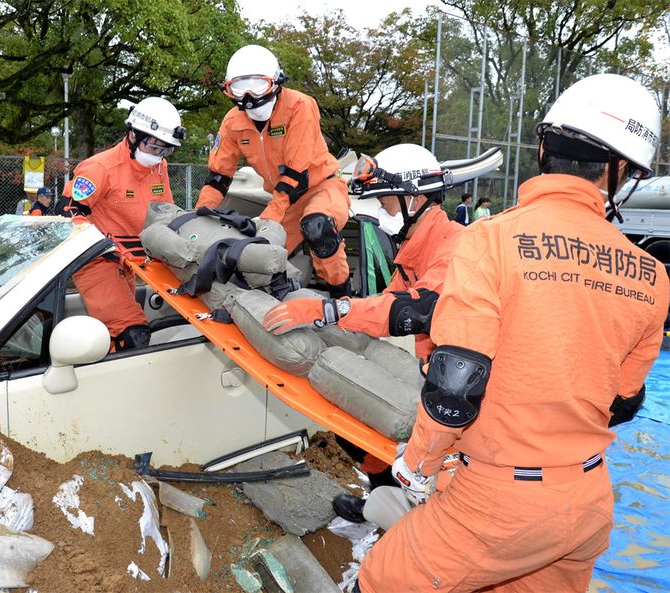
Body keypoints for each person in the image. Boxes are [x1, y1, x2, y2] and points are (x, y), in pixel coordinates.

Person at [352, 73, 668, 593]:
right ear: (622, 173)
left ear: (542, 148)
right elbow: (624, 402)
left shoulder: (491, 240)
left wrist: (419, 464)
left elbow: (455, 383)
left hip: (498, 501)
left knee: (381, 579)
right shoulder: (651, 275)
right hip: (588, 501)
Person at [261, 143, 464, 484]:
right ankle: (383, 494)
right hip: (440, 371)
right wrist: (333, 312)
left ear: (414, 199)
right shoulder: (414, 252)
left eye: (384, 201)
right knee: (350, 427)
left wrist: (327, 309)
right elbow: (382, 306)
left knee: (428, 465)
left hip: (469, 389)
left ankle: (408, 502)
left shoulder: (456, 245)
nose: (380, 211)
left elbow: (413, 310)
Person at [195, 45, 352, 297]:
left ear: (275, 81)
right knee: (256, 255)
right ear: (228, 89)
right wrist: (198, 217)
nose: (249, 96)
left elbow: (296, 172)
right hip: (285, 200)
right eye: (239, 87)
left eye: (257, 85)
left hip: (321, 186)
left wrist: (269, 218)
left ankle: (342, 297)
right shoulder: (233, 122)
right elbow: (218, 177)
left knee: (317, 226)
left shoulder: (300, 106)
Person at [60, 97, 186, 351]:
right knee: (130, 333)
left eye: (166, 150)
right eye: (154, 146)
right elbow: (68, 213)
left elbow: (166, 212)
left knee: (116, 332)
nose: (158, 155)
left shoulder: (159, 167)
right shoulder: (100, 168)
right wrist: (104, 247)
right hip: (98, 261)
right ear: (133, 135)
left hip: (131, 262)